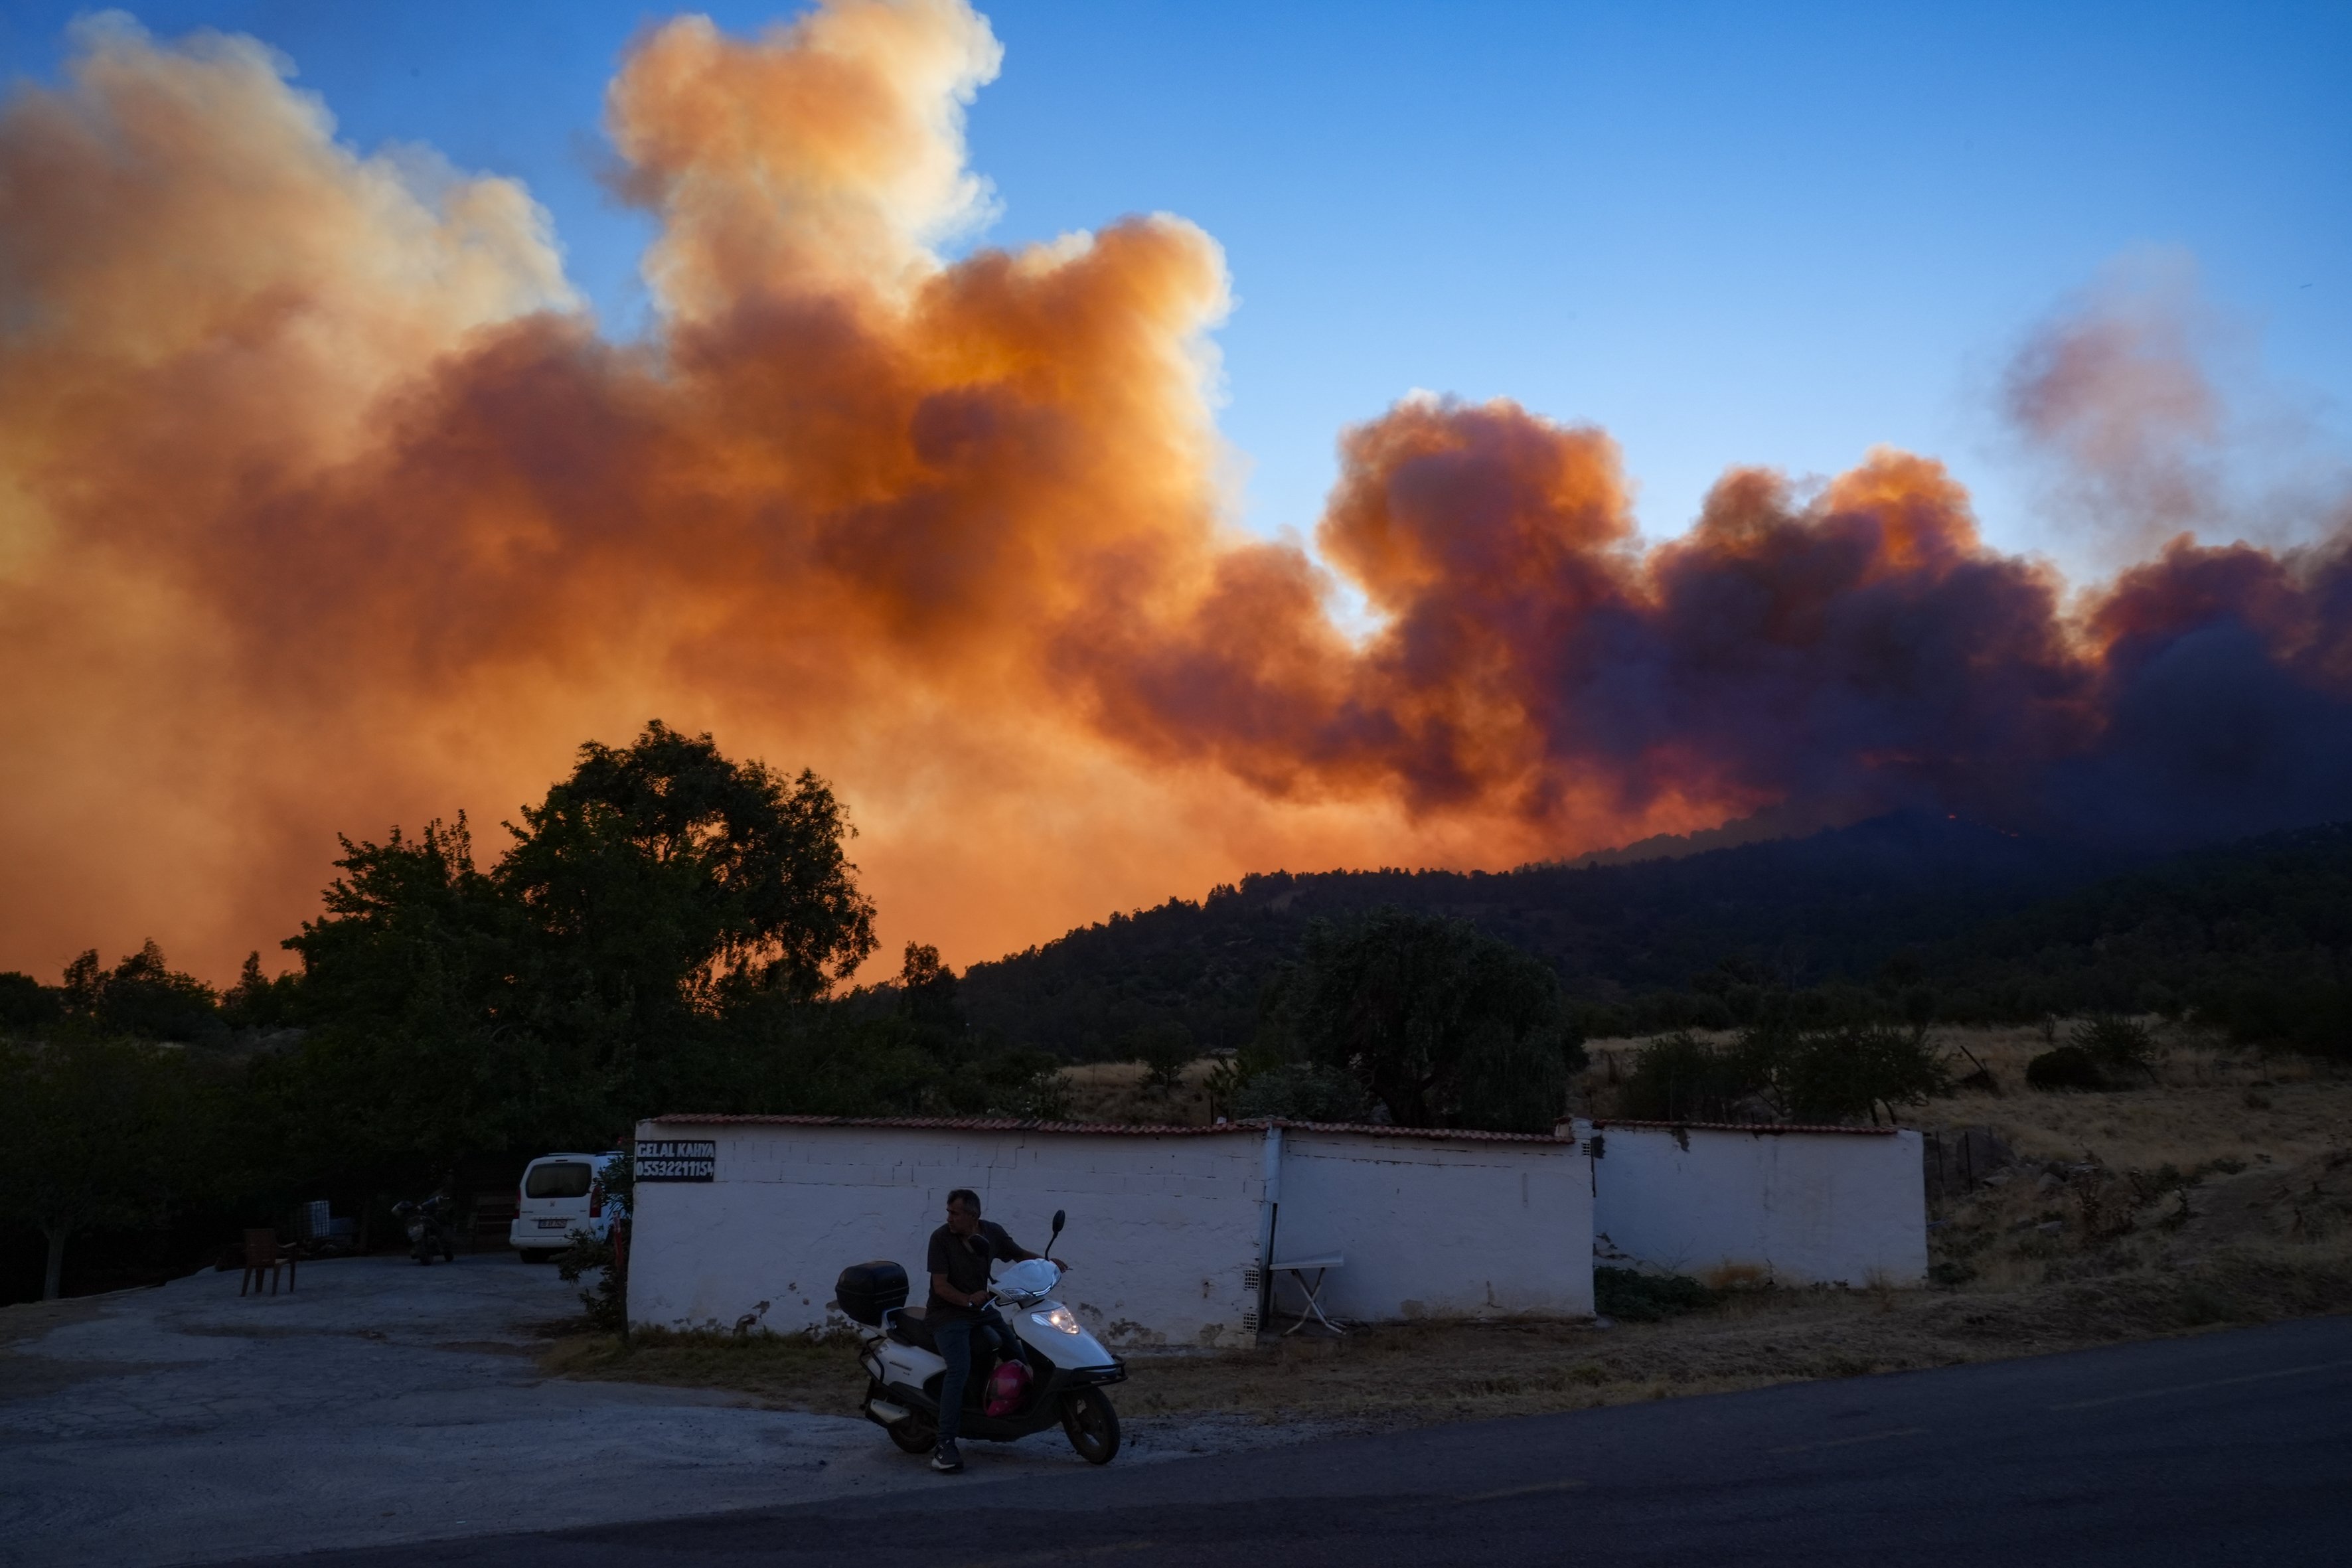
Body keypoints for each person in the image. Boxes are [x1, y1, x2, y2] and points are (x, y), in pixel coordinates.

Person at [924, 1188, 1067, 1474]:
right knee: (959, 1368)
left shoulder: (991, 1233)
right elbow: (940, 1286)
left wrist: (1046, 1265)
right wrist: (966, 1299)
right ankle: (944, 1444)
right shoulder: (941, 1239)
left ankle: (1015, 1413)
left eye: (955, 1213)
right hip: (948, 1315)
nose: (949, 1218)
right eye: (949, 1212)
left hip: (982, 1310)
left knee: (1019, 1352)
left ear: (973, 1216)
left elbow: (1018, 1255)